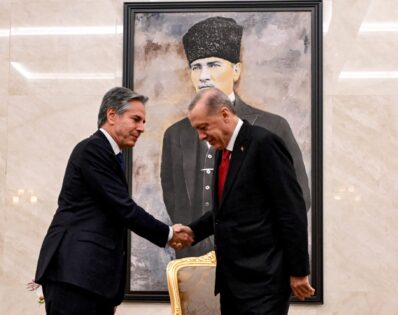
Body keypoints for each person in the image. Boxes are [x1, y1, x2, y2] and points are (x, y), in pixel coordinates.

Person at [34, 87, 193, 315]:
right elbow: (124, 208)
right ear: (111, 116)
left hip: (89, 279)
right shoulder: (92, 149)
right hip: (75, 275)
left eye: (144, 121)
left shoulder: (109, 153)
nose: (142, 128)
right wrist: (168, 234)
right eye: (136, 119)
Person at [161, 16, 310, 258]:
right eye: (196, 67)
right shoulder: (174, 134)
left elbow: (299, 198)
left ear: (237, 70)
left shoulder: (272, 127)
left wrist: (254, 237)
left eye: (214, 65)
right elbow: (173, 196)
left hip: (255, 257)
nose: (203, 76)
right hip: (192, 257)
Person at [186, 87, 314, 314]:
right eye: (197, 130)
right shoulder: (222, 151)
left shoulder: (264, 144)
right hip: (231, 283)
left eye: (204, 128)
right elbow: (224, 211)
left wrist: (298, 272)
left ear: (225, 114)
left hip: (264, 283)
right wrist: (190, 231)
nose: (201, 137)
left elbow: (291, 210)